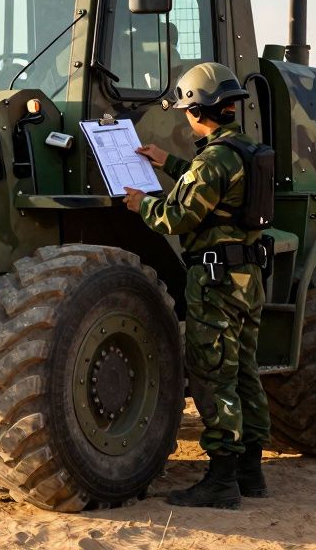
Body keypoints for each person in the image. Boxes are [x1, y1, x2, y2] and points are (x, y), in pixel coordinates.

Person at [122, 62, 271, 509]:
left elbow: (177, 216)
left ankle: (221, 482)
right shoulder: (243, 150)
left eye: (186, 109)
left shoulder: (213, 160)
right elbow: (214, 186)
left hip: (215, 283)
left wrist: (141, 204)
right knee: (244, 371)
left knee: (213, 375)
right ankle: (251, 473)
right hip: (247, 280)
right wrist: (169, 163)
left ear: (197, 110)